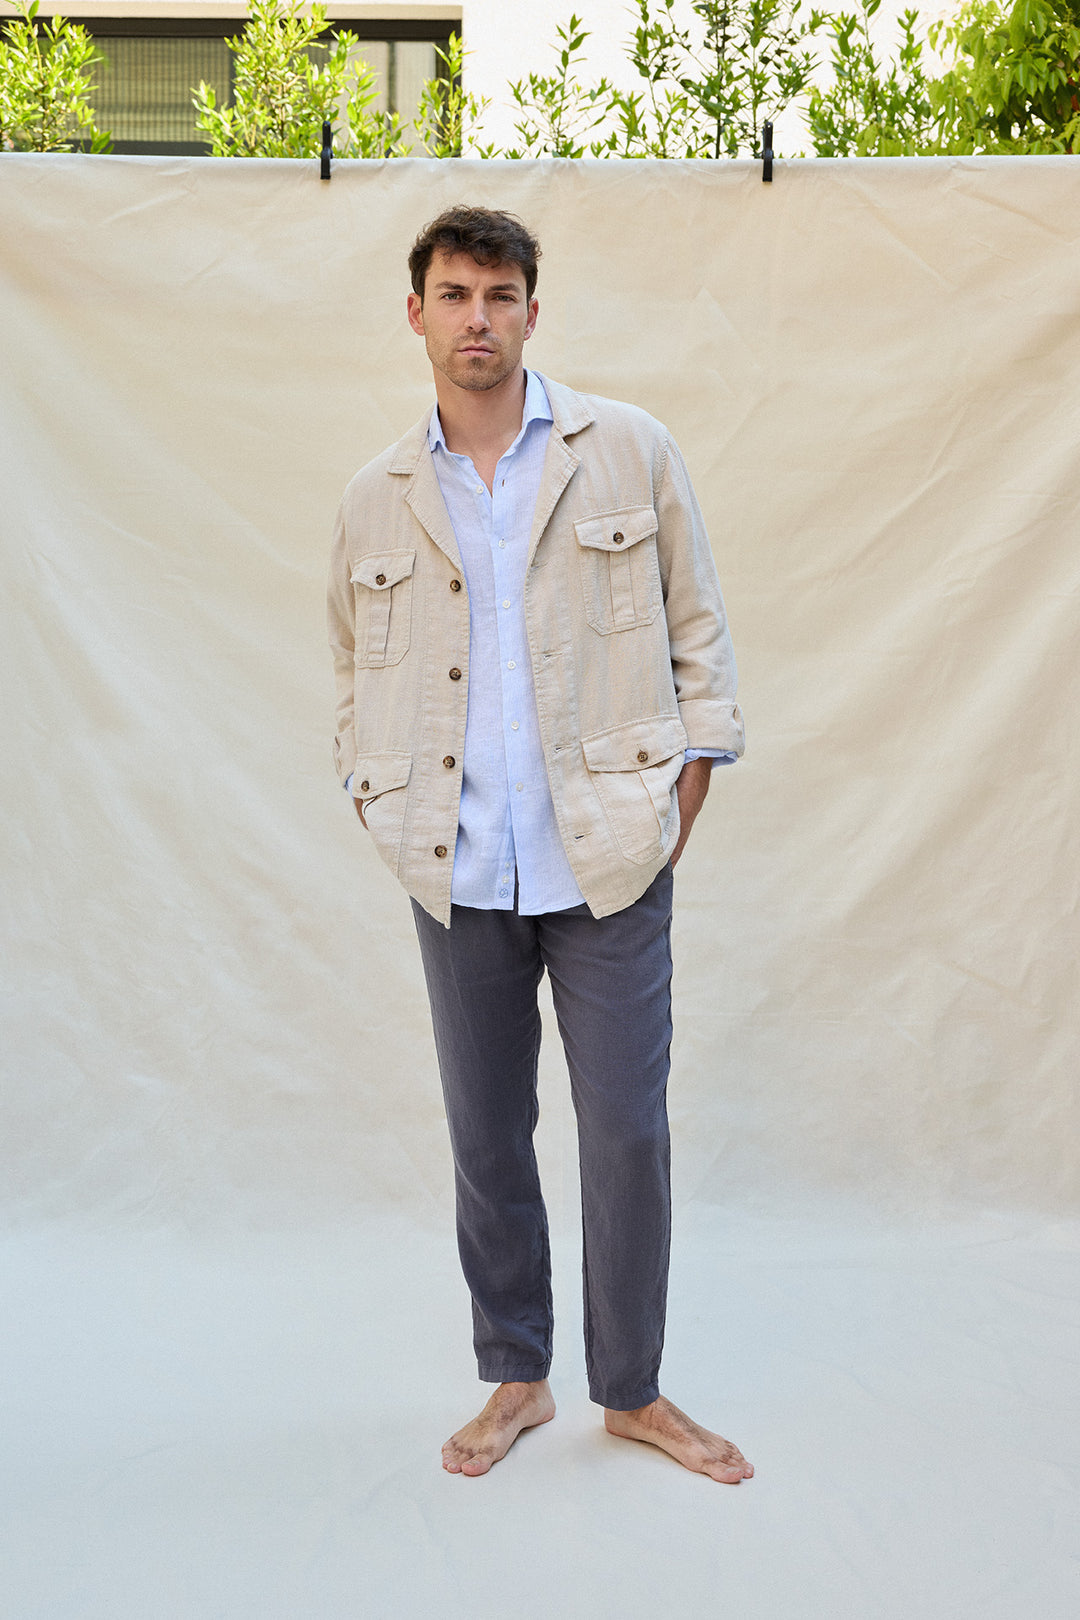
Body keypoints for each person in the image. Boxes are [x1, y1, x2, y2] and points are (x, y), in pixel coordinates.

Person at [327, 205, 752, 1483]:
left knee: (626, 1129)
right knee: (487, 1135)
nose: (478, 318)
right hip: (455, 866)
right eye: (455, 295)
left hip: (608, 854)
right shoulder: (376, 498)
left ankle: (633, 1390)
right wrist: (374, 793)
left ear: (530, 311)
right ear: (417, 314)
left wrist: (685, 788)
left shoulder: (627, 451)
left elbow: (698, 628)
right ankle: (517, 1375)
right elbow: (351, 668)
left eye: (500, 295)